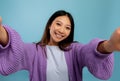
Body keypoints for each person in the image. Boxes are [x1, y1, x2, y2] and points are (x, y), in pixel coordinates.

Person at [0, 10, 120, 81]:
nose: (62, 30)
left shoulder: (75, 50)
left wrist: (109, 45)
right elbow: (17, 48)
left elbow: (89, 51)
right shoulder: (34, 51)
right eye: (58, 24)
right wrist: (1, 31)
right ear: (49, 25)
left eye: (67, 28)